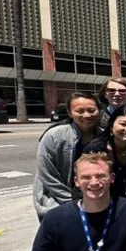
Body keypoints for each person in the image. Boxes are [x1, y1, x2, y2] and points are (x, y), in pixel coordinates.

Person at [33, 92, 102, 220]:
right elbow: (46, 173)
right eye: (80, 111)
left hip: (94, 203)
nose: (86, 115)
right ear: (70, 113)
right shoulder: (54, 135)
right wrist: (71, 202)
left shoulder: (104, 137)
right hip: (55, 202)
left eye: (91, 110)